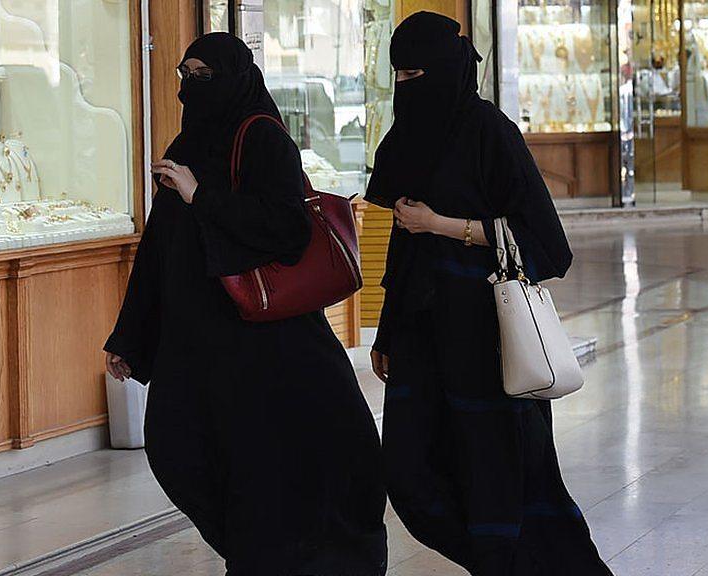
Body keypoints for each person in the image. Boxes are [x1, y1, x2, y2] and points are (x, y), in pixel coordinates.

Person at [104, 33, 388, 576]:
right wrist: (130, 336)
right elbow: (160, 249)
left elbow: (284, 231)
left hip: (263, 343)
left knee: (267, 466)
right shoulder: (188, 146)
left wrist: (200, 196)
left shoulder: (264, 141)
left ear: (236, 76)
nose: (191, 87)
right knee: (178, 450)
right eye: (185, 74)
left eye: (204, 75)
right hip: (199, 343)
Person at [366, 12, 612, 576]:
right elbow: (402, 249)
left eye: (417, 73)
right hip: (423, 339)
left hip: (488, 341)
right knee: (408, 473)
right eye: (399, 74)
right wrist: (388, 328)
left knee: (499, 479)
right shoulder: (406, 137)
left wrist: (445, 225)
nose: (408, 86)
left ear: (448, 70)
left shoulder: (489, 131)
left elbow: (549, 246)